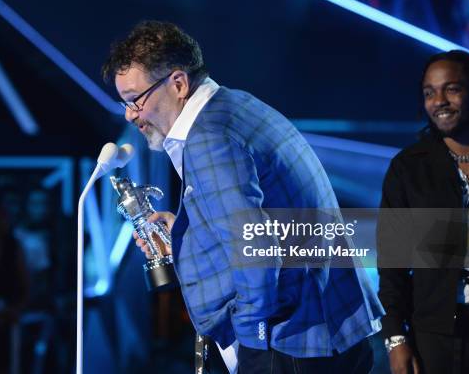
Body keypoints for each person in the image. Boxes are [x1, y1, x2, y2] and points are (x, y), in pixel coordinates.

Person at [102, 20, 383, 373]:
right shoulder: (234, 106)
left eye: (135, 100)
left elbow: (256, 247)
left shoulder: (209, 138)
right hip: (322, 329)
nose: (131, 115)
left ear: (177, 83)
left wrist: (253, 343)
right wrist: (186, 238)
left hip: (293, 341)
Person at [378, 50, 469, 374]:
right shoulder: (408, 169)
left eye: (452, 89)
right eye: (429, 93)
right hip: (436, 339)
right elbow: (392, 264)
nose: (439, 101)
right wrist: (396, 338)